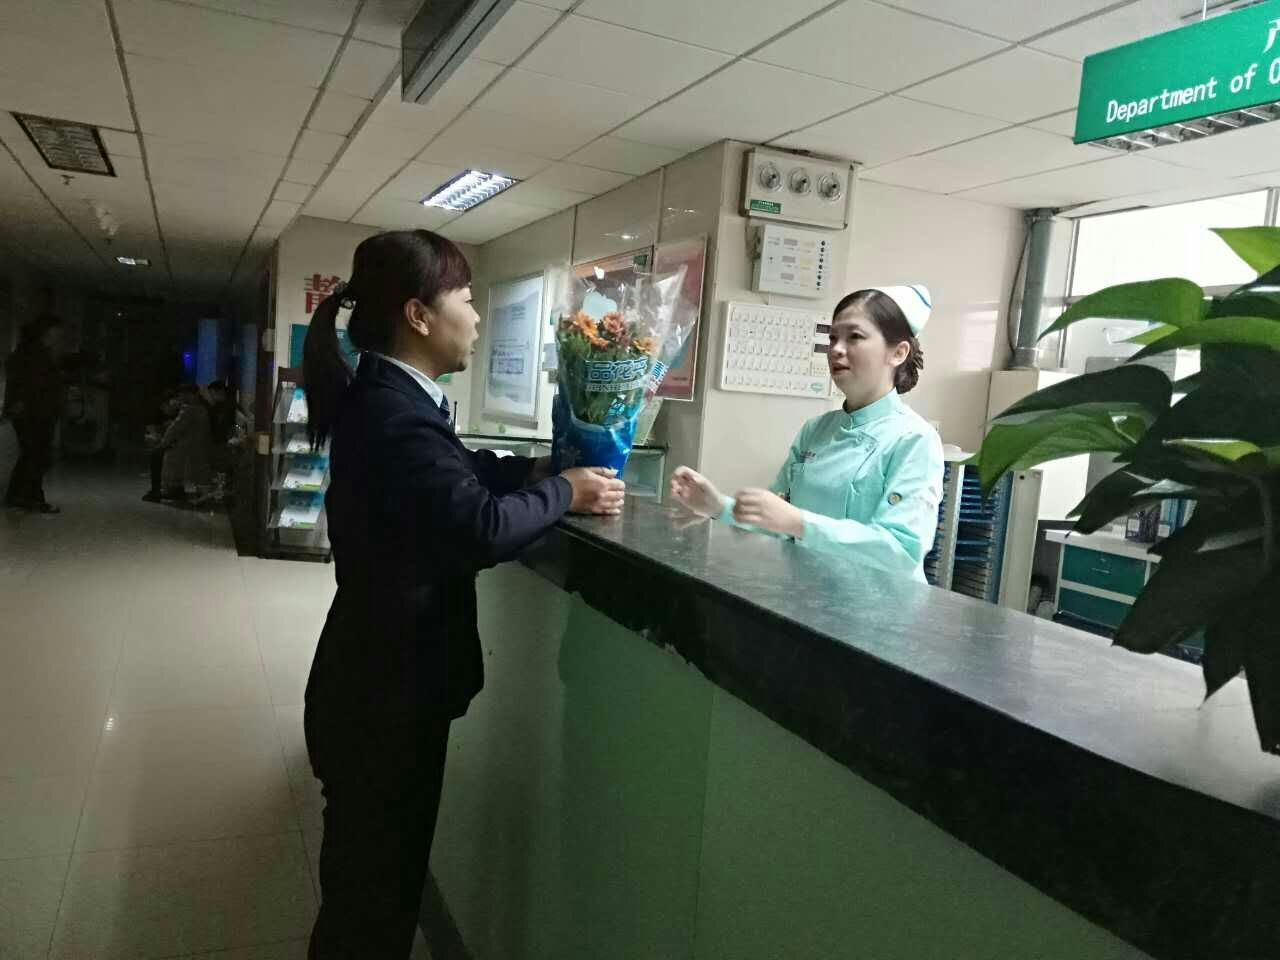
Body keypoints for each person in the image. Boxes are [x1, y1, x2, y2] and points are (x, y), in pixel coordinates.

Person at [300, 229, 625, 959]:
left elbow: (455, 472)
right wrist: (567, 492)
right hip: (384, 697)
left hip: (377, 685)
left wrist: (532, 471)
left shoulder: (394, 399)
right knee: (370, 906)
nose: (477, 316)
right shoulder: (392, 412)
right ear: (419, 315)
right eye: (467, 299)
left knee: (372, 889)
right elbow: (479, 527)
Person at [670, 285, 945, 583]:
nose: (836, 349)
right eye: (833, 338)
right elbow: (776, 519)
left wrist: (799, 522)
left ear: (898, 352)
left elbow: (900, 552)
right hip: (808, 595)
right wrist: (718, 506)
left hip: (879, 606)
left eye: (855, 336)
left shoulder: (914, 439)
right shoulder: (816, 430)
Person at [3, 313, 65, 513]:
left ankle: (18, 495)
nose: (59, 336)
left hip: (30, 412)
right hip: (37, 413)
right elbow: (37, 386)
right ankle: (32, 497)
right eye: (56, 332)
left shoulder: (27, 353)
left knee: (30, 455)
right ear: (46, 332)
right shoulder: (38, 356)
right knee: (36, 456)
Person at [156, 384, 213, 501]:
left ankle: (173, 490)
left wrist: (163, 443)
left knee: (171, 460)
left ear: (188, 394)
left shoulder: (189, 409)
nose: (180, 398)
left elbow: (175, 428)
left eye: (182, 395)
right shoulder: (203, 407)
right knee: (199, 472)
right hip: (201, 445)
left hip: (188, 447)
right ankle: (197, 493)